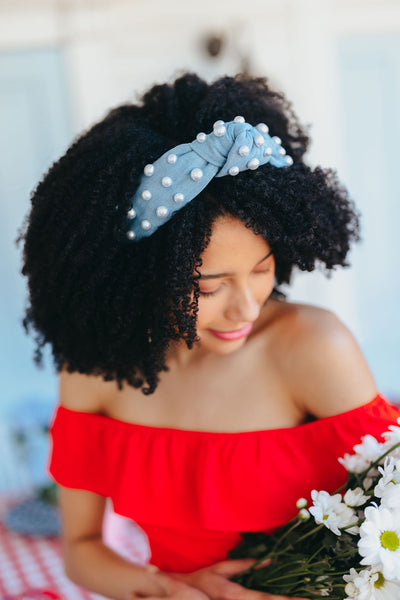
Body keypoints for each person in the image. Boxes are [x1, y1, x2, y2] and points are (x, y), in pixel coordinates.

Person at [17, 72, 400, 600]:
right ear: (137, 275)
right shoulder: (94, 368)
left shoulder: (312, 348)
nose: (246, 307)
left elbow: (391, 514)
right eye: (209, 286)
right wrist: (173, 589)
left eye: (263, 270)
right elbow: (83, 551)